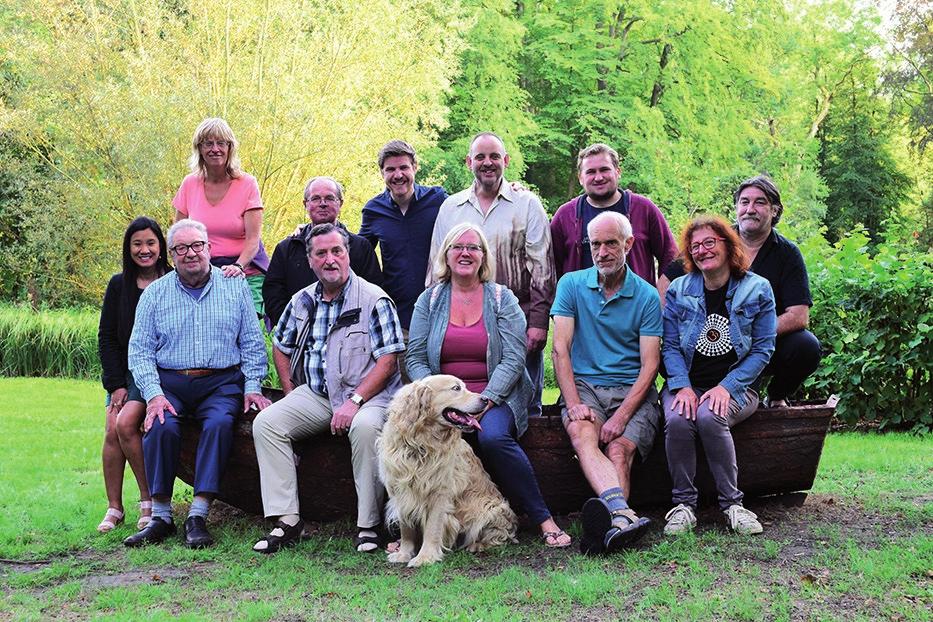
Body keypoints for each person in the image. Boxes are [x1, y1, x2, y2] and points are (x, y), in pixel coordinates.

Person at [407, 223, 572, 549]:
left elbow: (514, 358)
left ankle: (544, 520)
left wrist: (487, 399)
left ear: (484, 257)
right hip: (443, 401)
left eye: (474, 247)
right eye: (458, 247)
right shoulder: (429, 300)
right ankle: (410, 531)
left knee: (493, 438)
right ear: (447, 255)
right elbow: (414, 357)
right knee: (407, 438)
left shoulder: (502, 299)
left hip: (495, 395)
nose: (465, 253)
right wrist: (436, 400)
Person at [251, 223, 405, 554]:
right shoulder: (302, 300)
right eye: (321, 253)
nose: (330, 259)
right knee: (267, 423)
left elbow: (389, 361)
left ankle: (369, 525)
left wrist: (354, 401)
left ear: (348, 255)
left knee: (364, 429)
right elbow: (280, 345)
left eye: (337, 251)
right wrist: (290, 390)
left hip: (371, 397)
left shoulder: (374, 300)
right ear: (310, 260)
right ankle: (288, 520)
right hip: (318, 394)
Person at [124, 219, 270, 548]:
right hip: (171, 382)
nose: (191, 254)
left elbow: (251, 343)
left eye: (197, 246)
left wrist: (253, 386)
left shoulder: (235, 287)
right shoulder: (155, 294)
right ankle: (160, 516)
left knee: (219, 424)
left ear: (209, 248)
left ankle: (198, 515)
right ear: (171, 255)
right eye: (181, 249)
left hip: (220, 382)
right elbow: (140, 351)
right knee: (161, 424)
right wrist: (154, 395)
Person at [550, 211, 661, 555]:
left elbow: (650, 365)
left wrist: (622, 416)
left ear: (628, 244)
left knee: (618, 448)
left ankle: (612, 527)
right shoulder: (571, 284)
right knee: (583, 433)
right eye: (595, 244)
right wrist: (572, 402)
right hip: (585, 386)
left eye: (611, 243)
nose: (602, 252)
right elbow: (560, 350)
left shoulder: (646, 296)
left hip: (633, 391)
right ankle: (622, 516)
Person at [659, 176, 820, 406]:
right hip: (708, 346)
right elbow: (665, 281)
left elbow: (799, 315)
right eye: (744, 202)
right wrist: (678, 323)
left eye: (760, 203)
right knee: (667, 353)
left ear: (775, 210)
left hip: (761, 345)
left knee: (806, 347)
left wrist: (748, 332)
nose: (750, 209)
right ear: (736, 208)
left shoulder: (788, 254)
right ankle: (690, 394)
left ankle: (775, 397)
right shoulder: (714, 241)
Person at [661, 215, 777, 535]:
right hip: (688, 383)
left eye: (710, 242)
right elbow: (669, 346)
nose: (702, 250)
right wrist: (682, 387)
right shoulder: (679, 291)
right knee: (677, 419)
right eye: (695, 246)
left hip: (739, 387)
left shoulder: (757, 289)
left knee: (711, 416)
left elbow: (763, 350)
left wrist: (727, 387)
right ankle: (684, 506)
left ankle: (733, 506)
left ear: (728, 245)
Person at [429, 132, 554, 417]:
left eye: (495, 156)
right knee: (462, 404)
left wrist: (538, 323)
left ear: (506, 161)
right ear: (468, 162)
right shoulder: (451, 207)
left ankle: (531, 457)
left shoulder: (527, 204)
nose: (488, 163)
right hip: (462, 323)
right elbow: (436, 268)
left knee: (525, 404)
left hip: (517, 321)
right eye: (481, 157)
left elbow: (543, 269)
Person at [96, 217, 171, 533]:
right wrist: (114, 385)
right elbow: (107, 336)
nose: (145, 250)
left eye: (151, 243)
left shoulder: (173, 279)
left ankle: (148, 499)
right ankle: (114, 507)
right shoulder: (118, 285)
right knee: (112, 429)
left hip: (156, 371)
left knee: (125, 423)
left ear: (160, 246)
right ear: (129, 249)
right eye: (137, 244)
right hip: (124, 372)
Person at [173, 117, 270, 315]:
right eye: (208, 143)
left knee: (241, 327)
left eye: (221, 143)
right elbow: (178, 236)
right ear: (199, 148)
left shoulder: (248, 184)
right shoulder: (189, 184)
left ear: (230, 148)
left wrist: (237, 267)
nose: (215, 149)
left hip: (244, 270)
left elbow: (253, 240)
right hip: (202, 270)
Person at [550, 143, 677, 287]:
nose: (598, 177)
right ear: (580, 178)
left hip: (637, 306)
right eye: (591, 172)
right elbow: (551, 267)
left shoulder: (643, 209)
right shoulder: (565, 216)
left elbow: (671, 256)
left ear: (618, 172)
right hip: (581, 307)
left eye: (604, 170)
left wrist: (661, 295)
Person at [263, 176, 382, 326]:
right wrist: (292, 326)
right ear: (305, 204)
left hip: (351, 335)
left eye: (329, 198)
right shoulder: (287, 249)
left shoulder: (360, 247)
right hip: (298, 335)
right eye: (316, 198)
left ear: (341, 203)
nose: (323, 204)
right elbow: (273, 294)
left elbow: (373, 292)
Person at [359, 140, 447, 330]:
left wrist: (508, 190)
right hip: (398, 318)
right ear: (382, 172)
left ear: (415, 168)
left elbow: (469, 220)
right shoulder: (373, 210)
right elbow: (356, 253)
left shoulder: (438, 200)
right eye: (390, 169)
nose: (398, 175)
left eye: (404, 167)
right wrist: (311, 229)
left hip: (441, 312)